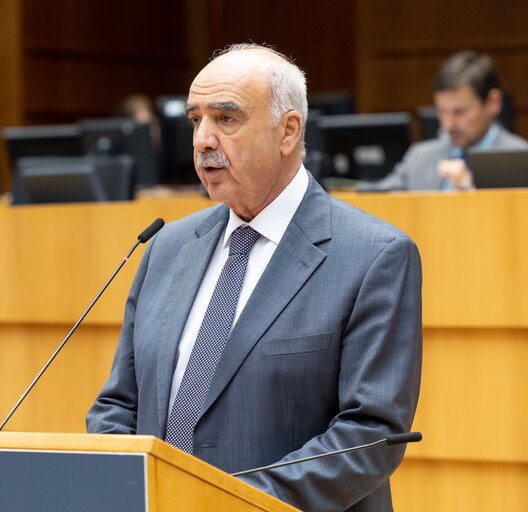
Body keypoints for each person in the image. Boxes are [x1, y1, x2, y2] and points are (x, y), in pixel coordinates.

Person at [87, 43, 422, 511]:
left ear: (287, 132)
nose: (203, 139)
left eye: (225, 119)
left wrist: (222, 502)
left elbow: (370, 435)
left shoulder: (374, 256)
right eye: (195, 120)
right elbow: (118, 405)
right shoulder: (165, 247)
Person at [358, 50, 528, 192]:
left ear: (493, 103)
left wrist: (471, 189)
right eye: (442, 111)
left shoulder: (522, 161)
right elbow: (374, 199)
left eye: (459, 112)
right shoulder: (420, 157)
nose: (448, 125)